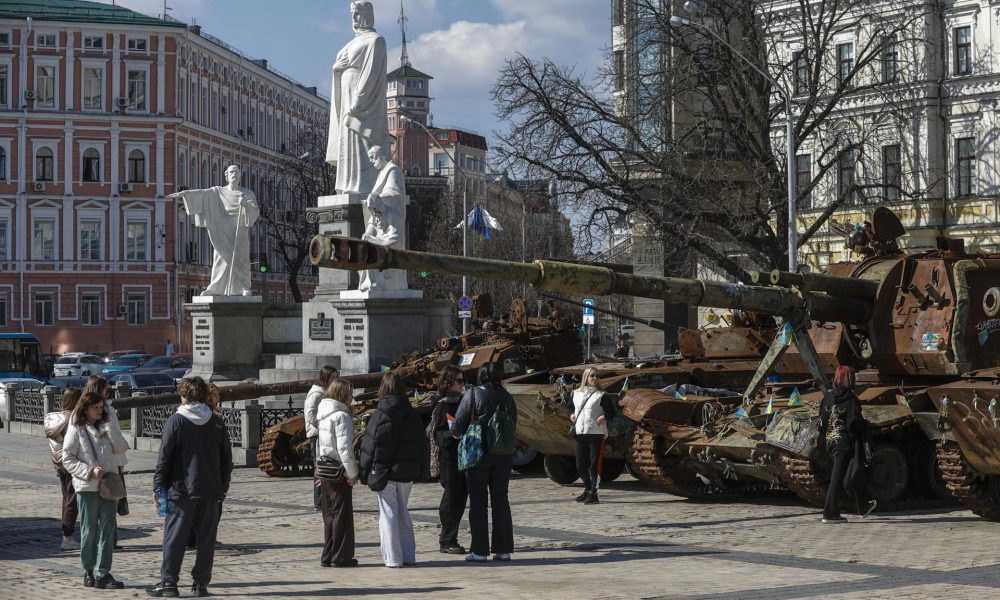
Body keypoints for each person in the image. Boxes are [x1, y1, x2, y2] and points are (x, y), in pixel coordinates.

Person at [147, 377, 234, 598]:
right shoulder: (216, 422)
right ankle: (200, 584)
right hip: (210, 490)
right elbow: (227, 460)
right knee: (206, 541)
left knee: (174, 540)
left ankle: (169, 583)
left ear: (184, 396)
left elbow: (164, 459)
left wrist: (159, 488)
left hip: (181, 490)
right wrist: (222, 487)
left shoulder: (176, 421)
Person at [358, 371, 429, 568]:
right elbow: (422, 445)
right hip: (406, 471)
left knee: (388, 514)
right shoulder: (413, 414)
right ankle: (408, 555)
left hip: (384, 471)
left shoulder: (379, 414)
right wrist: (423, 472)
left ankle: (393, 558)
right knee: (403, 513)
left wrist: (363, 473)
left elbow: (368, 447)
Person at [61, 391, 129, 589]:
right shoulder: (76, 429)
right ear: (86, 408)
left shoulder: (107, 426)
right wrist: (89, 471)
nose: (99, 411)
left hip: (108, 485)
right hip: (87, 486)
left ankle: (104, 573)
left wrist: (111, 427)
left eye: (102, 407)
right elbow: (67, 459)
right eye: (95, 408)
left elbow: (121, 448)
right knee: (89, 530)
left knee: (108, 530)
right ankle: (88, 570)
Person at [452, 363, 518, 563]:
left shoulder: (472, 394)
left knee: (478, 504)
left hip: (478, 456)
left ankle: (479, 551)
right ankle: (503, 549)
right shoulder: (508, 397)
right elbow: (513, 423)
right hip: (503, 456)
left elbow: (457, 425)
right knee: (501, 502)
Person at [326, 0, 390, 194]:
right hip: (346, 96)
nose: (354, 18)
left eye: (358, 13)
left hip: (362, 104)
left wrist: (358, 102)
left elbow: (371, 74)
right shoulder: (351, 43)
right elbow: (340, 67)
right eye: (352, 13)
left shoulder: (375, 40)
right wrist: (336, 70)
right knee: (348, 142)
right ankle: (348, 184)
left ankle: (364, 186)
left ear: (368, 15)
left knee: (362, 141)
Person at [167, 165, 260, 296]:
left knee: (241, 259)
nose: (234, 174)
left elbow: (255, 212)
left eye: (236, 172)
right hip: (221, 231)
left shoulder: (247, 194)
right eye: (231, 172)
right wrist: (185, 194)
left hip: (239, 232)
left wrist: (245, 205)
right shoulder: (218, 192)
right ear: (226, 176)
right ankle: (216, 287)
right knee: (220, 257)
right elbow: (203, 194)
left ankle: (243, 287)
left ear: (240, 176)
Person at [818, 365, 877, 523]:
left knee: (849, 475)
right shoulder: (851, 400)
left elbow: (822, 424)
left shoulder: (827, 398)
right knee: (837, 478)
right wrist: (865, 425)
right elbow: (855, 423)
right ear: (848, 379)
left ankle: (863, 506)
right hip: (845, 444)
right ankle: (829, 514)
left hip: (831, 442)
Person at [316, 378, 360, 567]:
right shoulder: (341, 415)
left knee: (329, 515)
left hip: (325, 468)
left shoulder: (324, 413)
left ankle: (328, 554)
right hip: (338, 470)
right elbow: (345, 449)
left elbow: (319, 445)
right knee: (341, 514)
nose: (352, 396)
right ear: (343, 394)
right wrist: (352, 474)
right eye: (350, 392)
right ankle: (341, 556)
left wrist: (317, 471)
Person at [431, 366, 468, 554]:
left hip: (464, 456)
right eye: (459, 381)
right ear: (449, 382)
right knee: (451, 500)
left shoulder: (463, 401)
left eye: (463, 381)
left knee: (461, 499)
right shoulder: (442, 405)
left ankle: (451, 538)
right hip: (449, 459)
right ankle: (447, 540)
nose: (462, 385)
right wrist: (453, 435)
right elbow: (438, 435)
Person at [45, 387, 83, 550]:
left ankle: (66, 533)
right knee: (72, 500)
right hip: (71, 462)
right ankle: (67, 537)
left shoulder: (52, 417)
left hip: (58, 462)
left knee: (67, 498)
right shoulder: (74, 418)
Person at [571, 368, 608, 505]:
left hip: (596, 433)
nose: (595, 378)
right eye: (592, 375)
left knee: (594, 465)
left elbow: (611, 411)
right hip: (581, 432)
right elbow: (570, 407)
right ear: (586, 377)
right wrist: (572, 415)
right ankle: (587, 488)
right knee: (580, 464)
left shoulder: (602, 395)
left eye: (597, 376)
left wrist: (604, 417)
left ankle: (594, 493)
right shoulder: (576, 393)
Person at [306, 366, 339, 510]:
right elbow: (310, 414)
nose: (335, 380)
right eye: (332, 377)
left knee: (327, 466)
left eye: (336, 377)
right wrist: (322, 426)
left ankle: (326, 499)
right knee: (320, 467)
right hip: (317, 434)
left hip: (325, 433)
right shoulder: (316, 393)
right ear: (325, 378)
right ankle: (319, 501)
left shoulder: (327, 392)